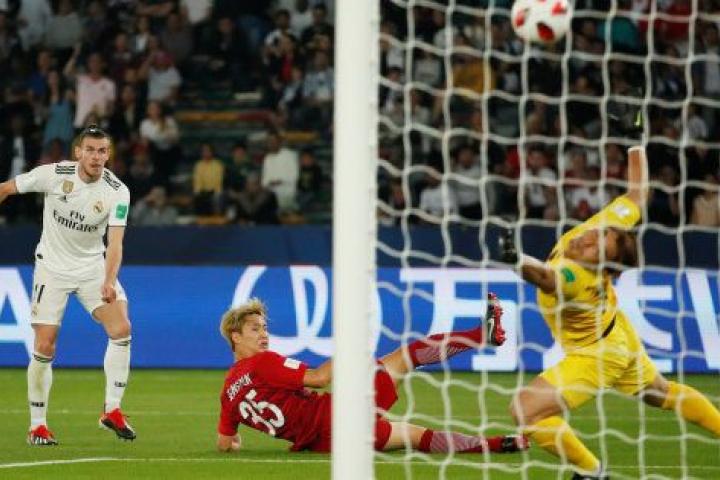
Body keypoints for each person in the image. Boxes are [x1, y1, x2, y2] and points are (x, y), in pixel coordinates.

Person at [501, 113, 720, 479]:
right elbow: (637, 194)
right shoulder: (602, 231)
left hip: (595, 354)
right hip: (618, 333)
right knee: (663, 393)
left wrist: (515, 259)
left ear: (602, 266)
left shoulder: (577, 276)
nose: (586, 238)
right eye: (596, 234)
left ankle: (592, 473)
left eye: (594, 247)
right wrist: (635, 142)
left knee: (525, 410)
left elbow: (544, 277)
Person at [216, 295, 528, 455]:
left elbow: (225, 443)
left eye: (265, 328)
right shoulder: (262, 363)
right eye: (255, 329)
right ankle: (481, 335)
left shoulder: (228, 393)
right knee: (406, 357)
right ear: (235, 336)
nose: (264, 335)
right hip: (340, 416)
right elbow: (319, 378)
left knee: (414, 436)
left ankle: (501, 444)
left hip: (324, 443)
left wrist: (236, 442)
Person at [0, 125, 136, 445]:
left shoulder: (118, 191)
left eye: (102, 151)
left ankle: (112, 410)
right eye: (90, 150)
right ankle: (37, 426)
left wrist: (109, 280)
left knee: (121, 329)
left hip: (93, 268)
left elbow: (115, 243)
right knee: (45, 345)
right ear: (78, 153)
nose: (96, 157)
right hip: (52, 269)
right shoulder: (53, 174)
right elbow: (6, 188)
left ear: (108, 155)